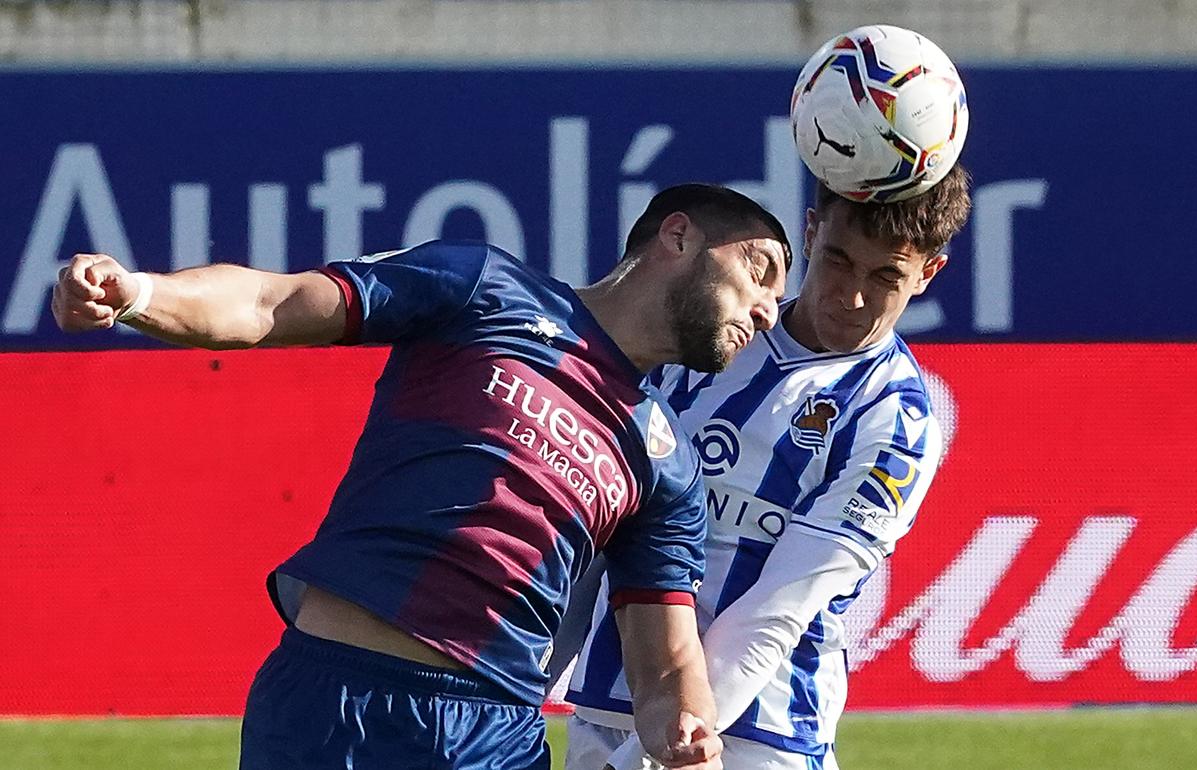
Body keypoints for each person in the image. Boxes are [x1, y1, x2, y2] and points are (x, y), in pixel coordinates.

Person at [51, 183, 790, 770]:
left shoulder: (668, 465)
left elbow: (665, 668)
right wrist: (138, 294)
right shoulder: (486, 287)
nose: (767, 311)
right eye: (760, 272)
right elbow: (269, 302)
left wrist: (686, 728)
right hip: (333, 698)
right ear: (679, 234)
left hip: (492, 739)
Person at [560, 165, 972, 770]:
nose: (851, 295)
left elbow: (776, 613)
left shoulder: (896, 421)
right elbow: (595, 534)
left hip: (753, 737)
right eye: (836, 259)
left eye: (886, 275)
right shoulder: (700, 338)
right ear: (809, 233)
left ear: (928, 273)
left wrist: (663, 751)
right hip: (609, 706)